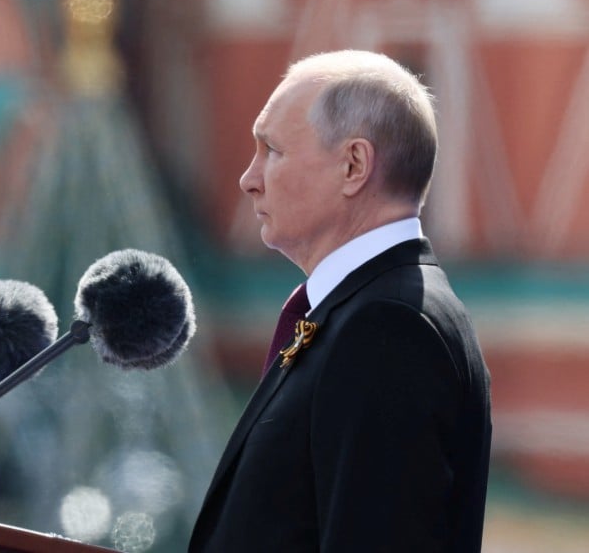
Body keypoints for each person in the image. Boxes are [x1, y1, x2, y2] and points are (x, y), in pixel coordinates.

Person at [189, 50, 492, 552]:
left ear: (353, 165)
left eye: (272, 151)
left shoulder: (389, 328)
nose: (249, 179)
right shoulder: (364, 312)